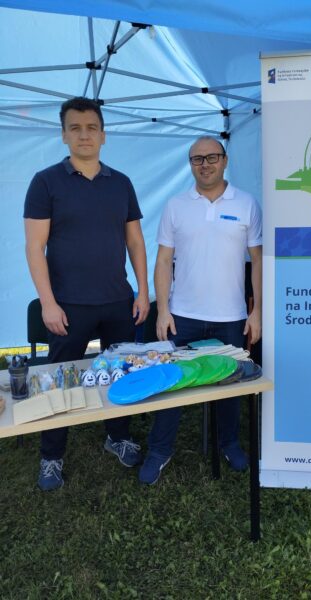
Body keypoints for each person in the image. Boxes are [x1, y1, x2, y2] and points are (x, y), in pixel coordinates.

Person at [24, 97, 150, 491]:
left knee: (120, 374)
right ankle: (51, 456)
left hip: (117, 301)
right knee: (60, 381)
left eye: (91, 127)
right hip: (67, 305)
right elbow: (34, 247)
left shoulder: (122, 183)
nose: (84, 135)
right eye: (75, 128)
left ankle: (117, 436)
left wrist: (143, 291)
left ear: (103, 135)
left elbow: (135, 241)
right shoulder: (45, 182)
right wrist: (47, 303)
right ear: (63, 135)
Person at [139, 136, 262, 485]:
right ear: (190, 164)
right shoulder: (175, 205)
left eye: (212, 157)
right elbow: (163, 260)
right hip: (183, 315)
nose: (205, 164)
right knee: (171, 384)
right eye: (197, 159)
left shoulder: (247, 204)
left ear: (225, 161)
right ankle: (159, 450)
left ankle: (229, 444)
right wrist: (163, 310)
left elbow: (257, 260)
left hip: (231, 316)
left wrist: (257, 311)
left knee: (229, 385)